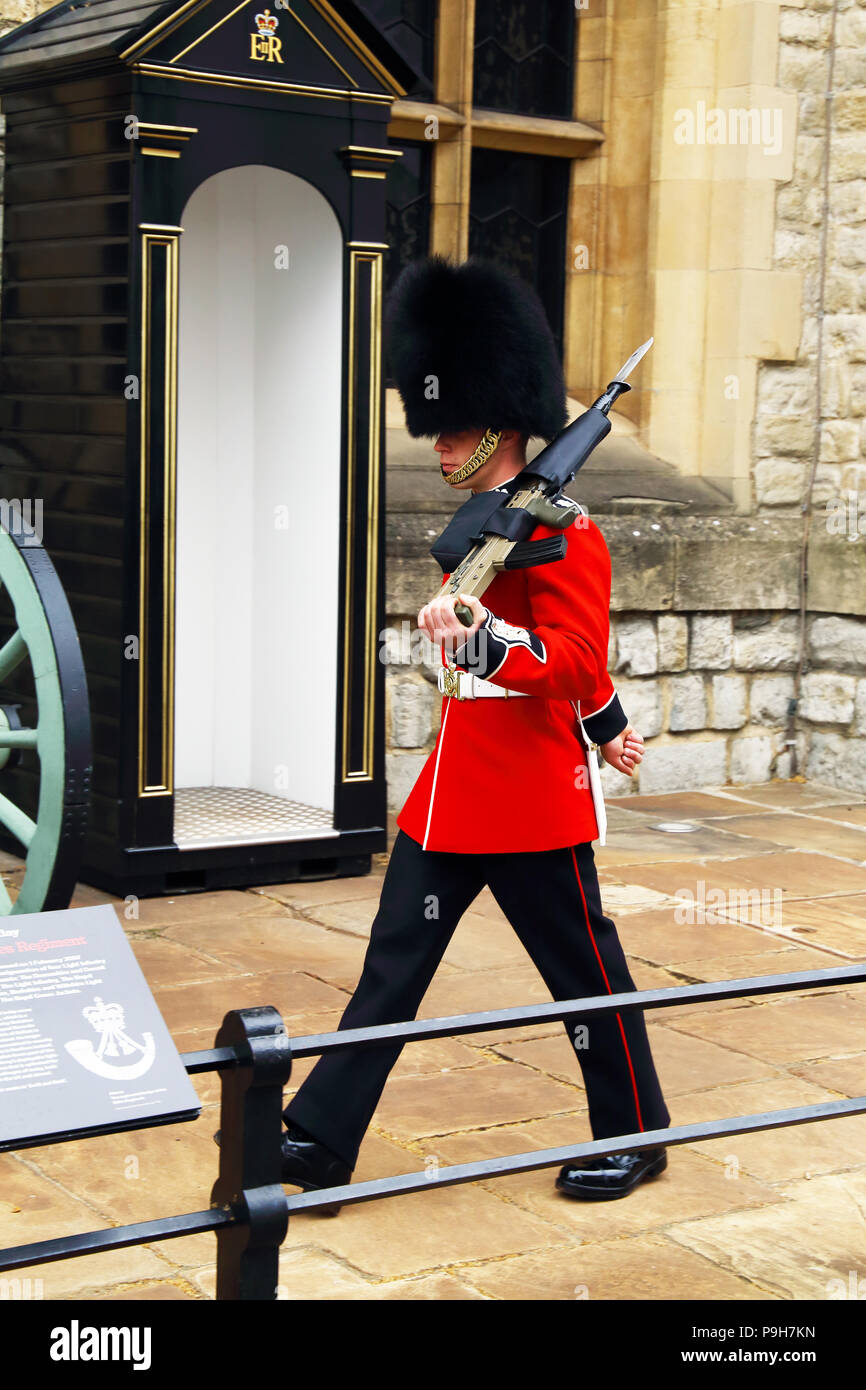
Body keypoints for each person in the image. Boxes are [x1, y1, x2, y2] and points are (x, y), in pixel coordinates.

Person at [280, 256, 671, 1205]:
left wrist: (489, 643)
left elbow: (573, 656)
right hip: (454, 788)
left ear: (498, 421)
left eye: (452, 425)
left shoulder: (565, 530)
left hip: (530, 795)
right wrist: (607, 722)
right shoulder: (484, 525)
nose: (440, 441)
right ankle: (320, 1141)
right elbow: (567, 669)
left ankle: (637, 1131)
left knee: (583, 973)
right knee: (392, 966)